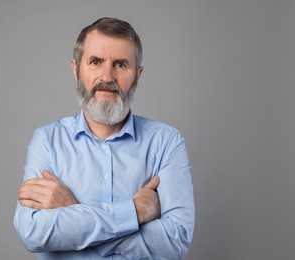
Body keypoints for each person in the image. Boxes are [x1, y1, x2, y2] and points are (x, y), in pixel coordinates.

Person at [14, 17, 195, 259]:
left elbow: (176, 241)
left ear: (137, 75)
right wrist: (135, 212)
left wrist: (73, 211)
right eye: (96, 62)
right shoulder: (47, 141)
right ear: (76, 69)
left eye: (120, 64)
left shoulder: (166, 142)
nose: (107, 77)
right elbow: (33, 232)